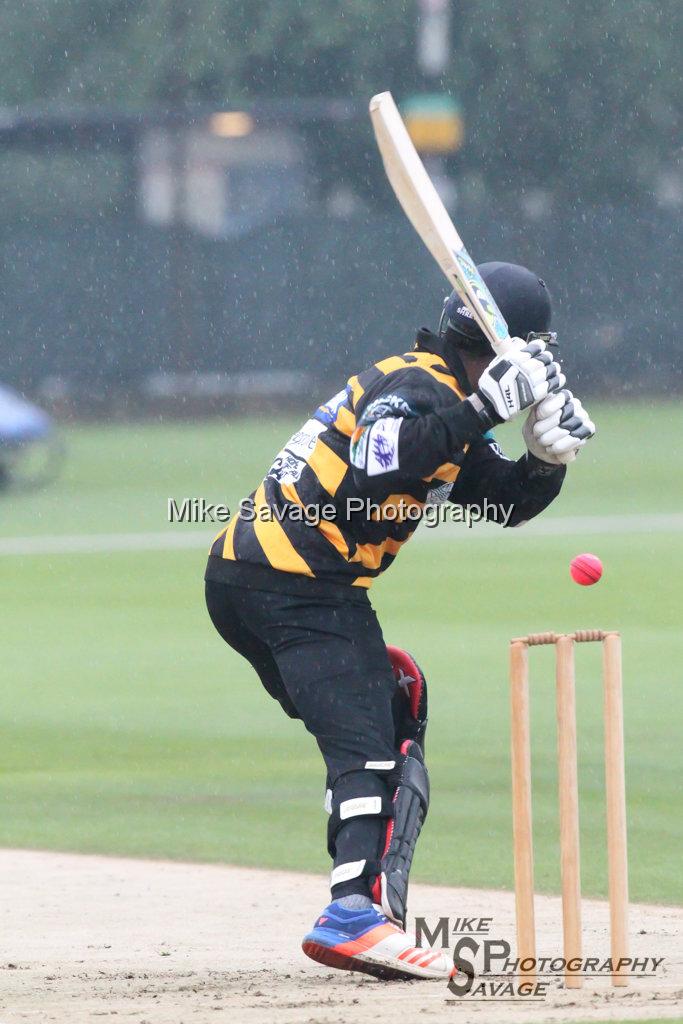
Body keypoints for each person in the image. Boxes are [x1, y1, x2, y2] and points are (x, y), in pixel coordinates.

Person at [205, 262, 595, 980]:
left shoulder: (445, 396)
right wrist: (481, 410)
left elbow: (499, 502)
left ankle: (371, 909)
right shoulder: (419, 383)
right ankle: (352, 913)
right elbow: (377, 464)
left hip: (265, 583)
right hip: (294, 581)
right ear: (498, 345)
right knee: (370, 743)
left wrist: (543, 463)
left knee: (393, 706)